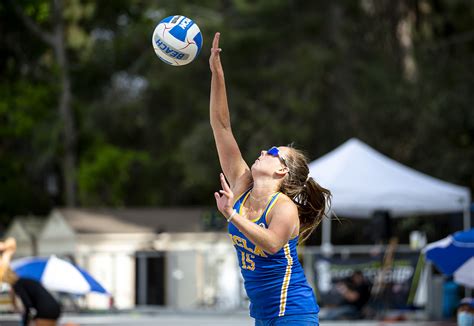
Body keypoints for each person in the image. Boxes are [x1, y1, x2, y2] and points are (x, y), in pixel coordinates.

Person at [209, 32, 331, 326]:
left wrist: (232, 216)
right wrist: (217, 74)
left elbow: (273, 244)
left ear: (282, 171)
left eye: (275, 151)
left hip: (293, 313)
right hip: (263, 316)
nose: (265, 150)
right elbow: (221, 126)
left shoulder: (284, 208)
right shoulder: (242, 184)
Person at [0, 238, 61, 326]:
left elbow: (28, 305)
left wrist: (25, 322)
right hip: (54, 308)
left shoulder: (18, 284)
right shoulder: (25, 281)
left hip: (45, 311)